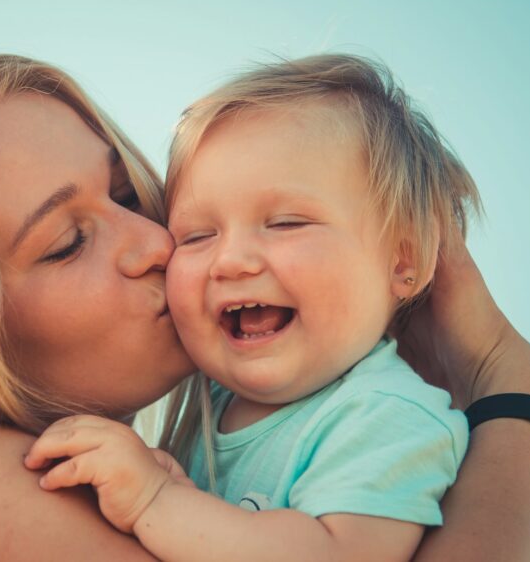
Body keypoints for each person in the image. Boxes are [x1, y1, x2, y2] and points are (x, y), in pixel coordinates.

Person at [0, 54, 530, 562]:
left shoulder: (239, 423)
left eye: (124, 194)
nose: (156, 244)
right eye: (67, 242)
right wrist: (512, 395)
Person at [24, 54, 481, 561]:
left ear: (404, 260)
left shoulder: (389, 413)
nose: (231, 261)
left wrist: (156, 498)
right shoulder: (207, 405)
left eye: (286, 223)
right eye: (197, 236)